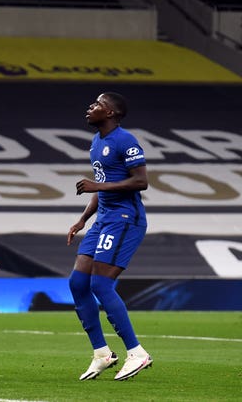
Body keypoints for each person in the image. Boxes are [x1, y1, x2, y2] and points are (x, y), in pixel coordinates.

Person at [66, 92, 153, 381]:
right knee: (78, 283)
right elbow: (101, 187)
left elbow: (141, 181)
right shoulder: (97, 142)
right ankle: (102, 353)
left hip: (125, 220)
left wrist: (97, 188)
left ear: (112, 113)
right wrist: (81, 220)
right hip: (103, 220)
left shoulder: (124, 140)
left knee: (101, 284)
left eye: (97, 104)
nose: (90, 107)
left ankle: (137, 352)